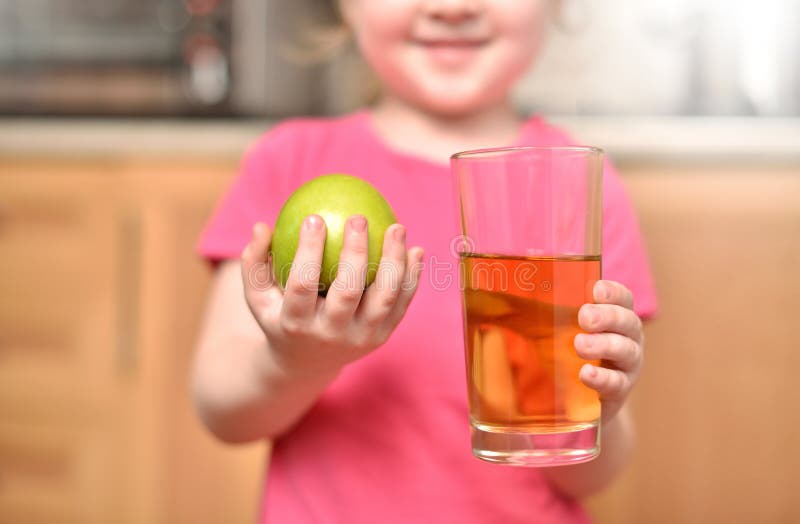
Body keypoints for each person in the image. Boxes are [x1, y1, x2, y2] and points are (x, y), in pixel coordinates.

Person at [192, 1, 658, 522]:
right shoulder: (286, 163)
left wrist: (595, 411)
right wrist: (297, 361)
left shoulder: (582, 186)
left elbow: (594, 476)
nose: (451, 7)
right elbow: (222, 410)